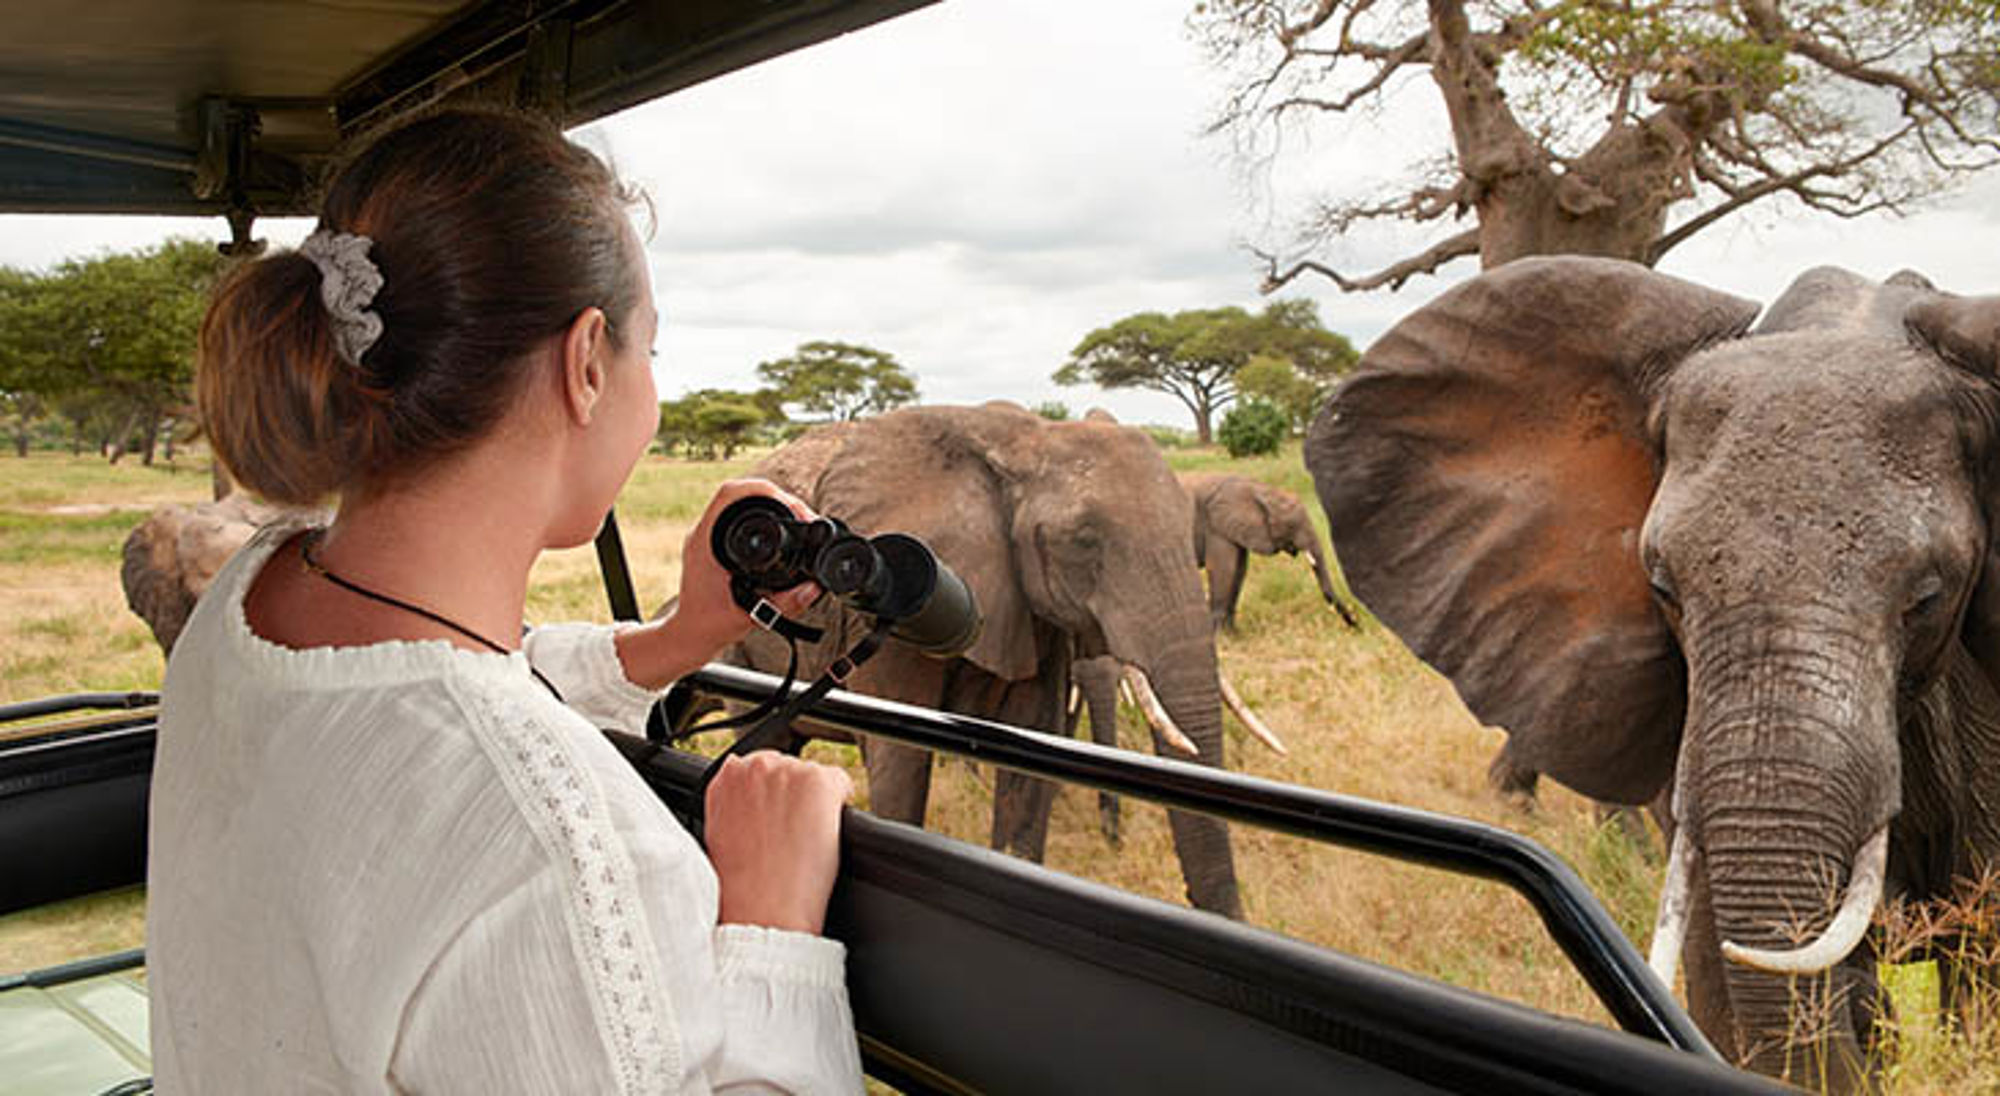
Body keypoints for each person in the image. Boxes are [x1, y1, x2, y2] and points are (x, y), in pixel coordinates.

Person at [147, 107, 862, 1094]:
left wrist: (672, 639)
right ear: (583, 363)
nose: (649, 390)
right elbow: (473, 743)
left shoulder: (254, 590)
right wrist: (771, 923)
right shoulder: (565, 855)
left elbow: (422, 697)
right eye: (648, 349)